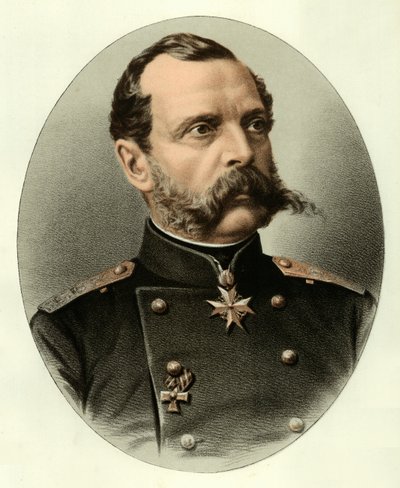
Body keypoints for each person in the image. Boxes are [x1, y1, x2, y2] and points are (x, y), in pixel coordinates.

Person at [30, 33, 375, 472]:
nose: (243, 152)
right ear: (137, 164)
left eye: (255, 124)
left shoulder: (348, 315)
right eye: (202, 129)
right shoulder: (68, 335)